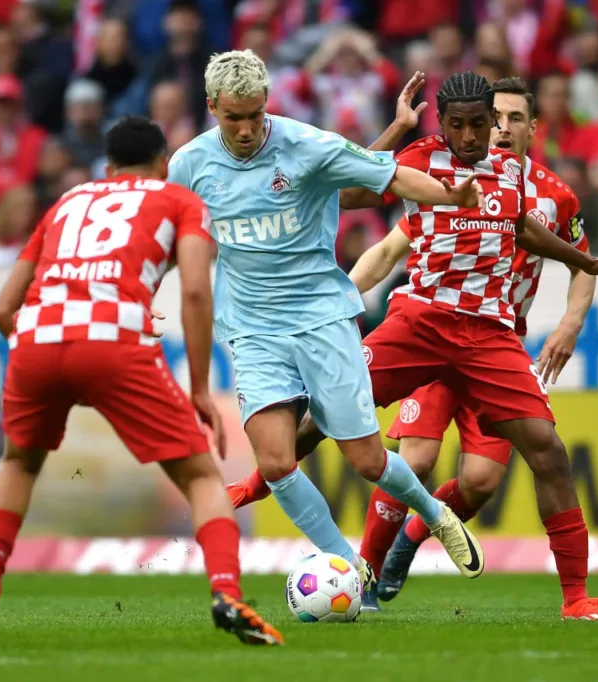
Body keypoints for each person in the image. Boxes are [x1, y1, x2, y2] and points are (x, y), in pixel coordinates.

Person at [227, 72, 598, 619]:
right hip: (420, 321)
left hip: (491, 334)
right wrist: (395, 132)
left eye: (480, 124)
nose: (470, 137)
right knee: (332, 406)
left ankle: (576, 599)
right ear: (441, 124)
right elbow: (347, 192)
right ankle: (263, 480)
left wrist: (581, 260)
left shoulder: (513, 170)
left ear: (494, 123)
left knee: (548, 451)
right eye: (457, 126)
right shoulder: (417, 160)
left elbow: (519, 226)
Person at [167, 50, 490, 607]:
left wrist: (450, 195)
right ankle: (349, 569)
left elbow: (387, 174)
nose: (245, 130)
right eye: (232, 118)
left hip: (322, 317)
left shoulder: (305, 145)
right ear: (212, 107)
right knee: (274, 462)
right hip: (252, 328)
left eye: (254, 115)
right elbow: (167, 233)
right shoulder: (188, 165)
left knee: (366, 461)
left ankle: (436, 515)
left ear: (267, 103)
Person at [0, 116, 283, 647]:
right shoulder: (178, 200)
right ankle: (227, 595)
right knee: (200, 475)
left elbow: (2, 310)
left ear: (107, 168)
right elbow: (196, 292)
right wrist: (199, 388)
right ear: (163, 164)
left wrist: (54, 350)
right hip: (116, 340)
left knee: (18, 462)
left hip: (36, 335)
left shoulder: (66, 203)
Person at [371, 78, 598, 621]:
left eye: (512, 118)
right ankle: (365, 576)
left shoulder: (554, 195)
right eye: (497, 117)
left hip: (495, 339)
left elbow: (578, 259)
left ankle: (416, 532)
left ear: (532, 128)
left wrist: (571, 323)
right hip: (432, 329)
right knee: (414, 457)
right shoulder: (438, 171)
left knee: (482, 482)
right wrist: (347, 291)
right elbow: (391, 244)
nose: (502, 128)